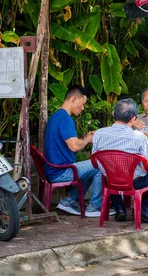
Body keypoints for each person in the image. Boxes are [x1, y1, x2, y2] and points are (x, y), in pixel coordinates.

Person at [92, 98, 148, 222]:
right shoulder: (139, 138)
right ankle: (143, 207)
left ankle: (120, 209)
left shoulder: (98, 134)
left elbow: (96, 162)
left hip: (111, 179)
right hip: (136, 181)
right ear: (133, 119)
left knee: (112, 172)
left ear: (113, 113)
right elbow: (147, 165)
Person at [44, 85, 110, 218]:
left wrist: (84, 138)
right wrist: (88, 140)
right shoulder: (65, 118)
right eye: (83, 103)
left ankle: (69, 201)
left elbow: (71, 142)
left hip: (54, 169)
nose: (83, 108)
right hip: (61, 171)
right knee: (99, 165)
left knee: (91, 167)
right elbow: (74, 146)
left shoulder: (57, 116)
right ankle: (95, 207)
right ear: (74, 99)